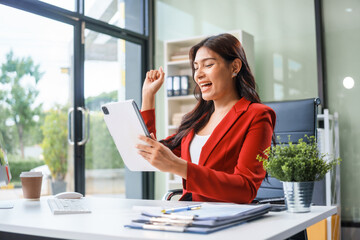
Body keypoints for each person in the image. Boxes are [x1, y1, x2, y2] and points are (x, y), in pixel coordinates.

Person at [136, 33, 276, 204]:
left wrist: (178, 166)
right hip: (190, 214)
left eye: (208, 65)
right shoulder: (196, 120)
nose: (198, 75)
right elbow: (149, 151)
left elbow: (245, 189)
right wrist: (148, 95)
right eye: (195, 67)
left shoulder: (257, 115)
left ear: (235, 67)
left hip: (224, 219)